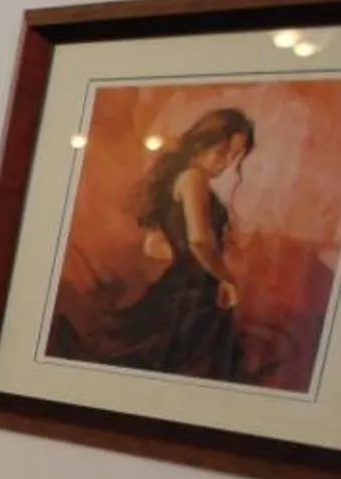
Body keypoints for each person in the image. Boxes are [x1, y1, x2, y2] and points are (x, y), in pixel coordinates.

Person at [69, 107, 258, 380]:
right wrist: (227, 279)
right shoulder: (194, 178)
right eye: (222, 151)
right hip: (192, 290)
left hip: (187, 284)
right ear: (202, 143)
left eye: (235, 155)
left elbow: (156, 245)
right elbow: (199, 240)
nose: (227, 162)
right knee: (189, 364)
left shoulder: (181, 177)